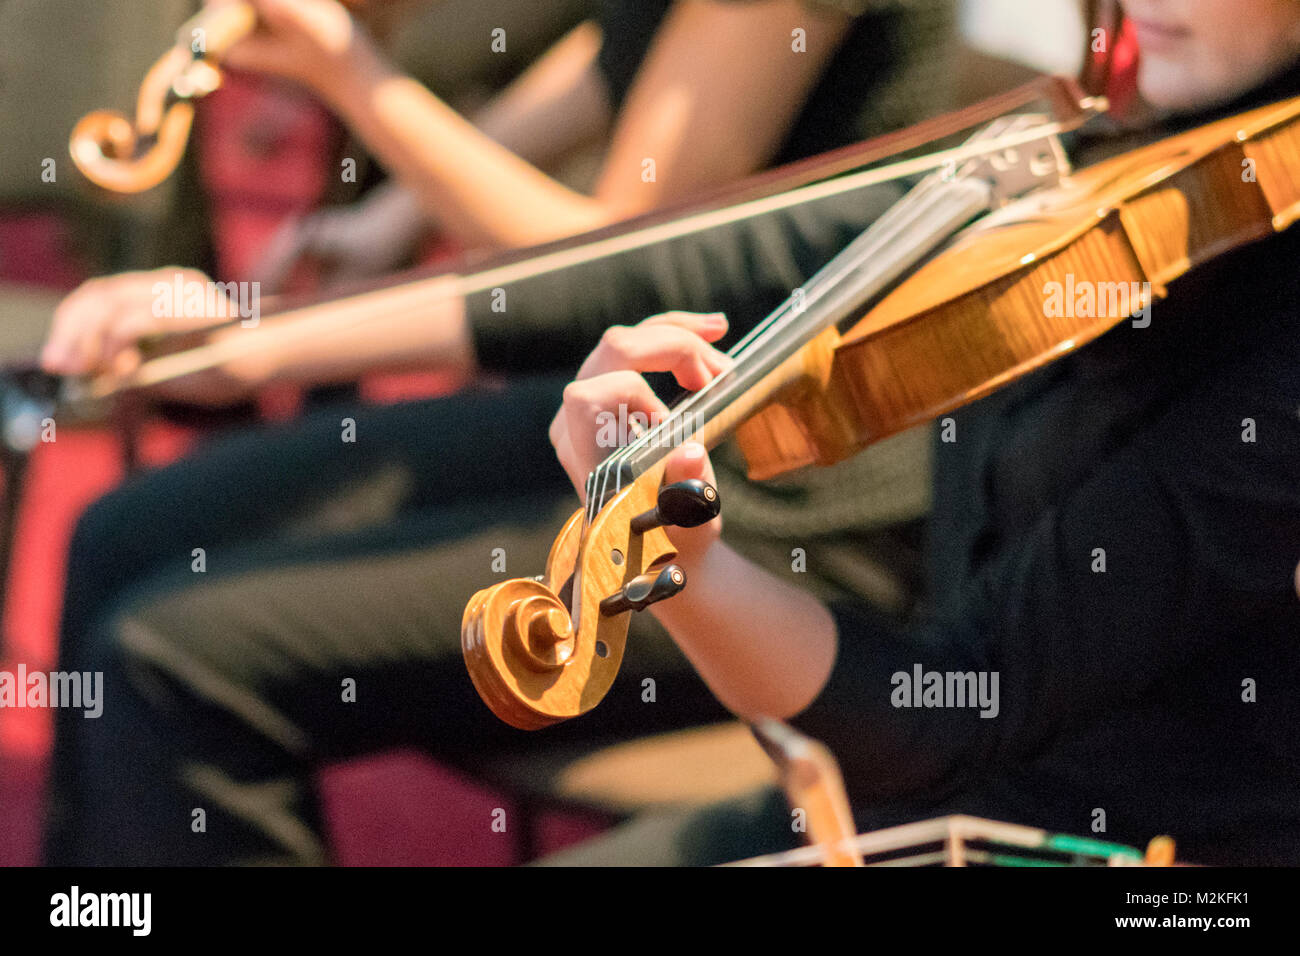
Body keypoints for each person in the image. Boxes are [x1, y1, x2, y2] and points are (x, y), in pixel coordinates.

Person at [40, 0, 956, 865]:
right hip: (646, 419)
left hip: (782, 497)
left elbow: (613, 255)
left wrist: (346, 79)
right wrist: (385, 220)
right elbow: (622, 53)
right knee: (119, 534)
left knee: (171, 664)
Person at [540, 0, 1300, 865]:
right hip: (918, 796)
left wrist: (692, 569)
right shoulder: (1104, 140)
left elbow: (954, 713)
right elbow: (730, 252)